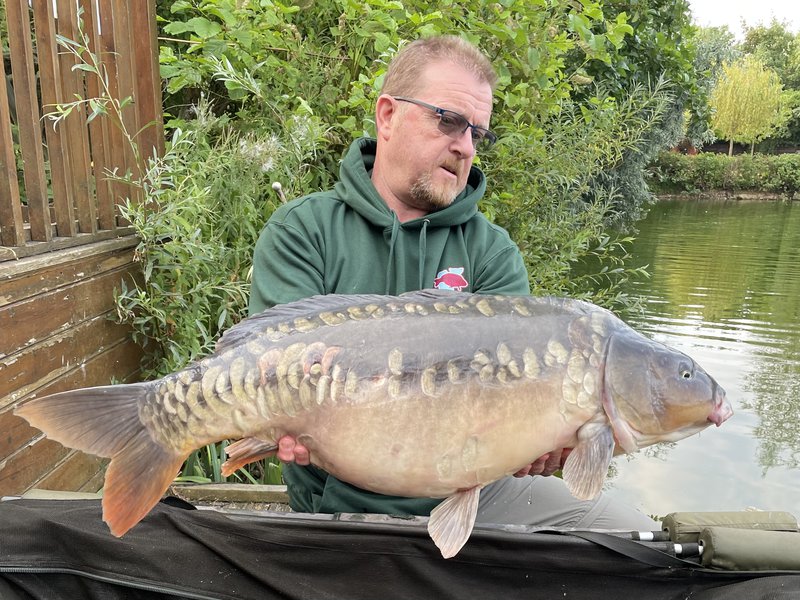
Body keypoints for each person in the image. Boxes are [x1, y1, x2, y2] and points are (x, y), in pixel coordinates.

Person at [248, 35, 657, 530]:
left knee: (628, 533)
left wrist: (543, 441)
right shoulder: (305, 230)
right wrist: (278, 421)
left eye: (477, 134)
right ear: (388, 115)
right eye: (448, 120)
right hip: (338, 504)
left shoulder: (490, 251)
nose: (464, 145)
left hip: (477, 495)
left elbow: (516, 407)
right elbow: (270, 371)